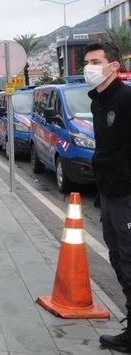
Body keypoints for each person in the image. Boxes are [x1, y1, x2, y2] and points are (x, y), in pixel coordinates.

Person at [84, 42, 131, 353]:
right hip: (109, 191)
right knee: (117, 259)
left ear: (114, 66)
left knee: (129, 261)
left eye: (96, 61)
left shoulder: (126, 99)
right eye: (87, 61)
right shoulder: (97, 102)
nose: (89, 66)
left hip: (127, 193)